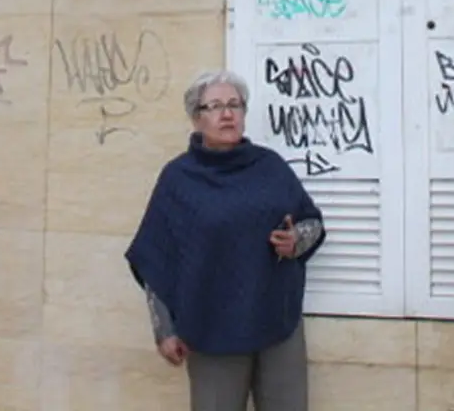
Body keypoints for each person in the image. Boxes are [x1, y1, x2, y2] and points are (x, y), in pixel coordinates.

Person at [125, 69, 326, 411]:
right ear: (196, 118)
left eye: (235, 104)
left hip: (277, 321)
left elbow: (313, 223)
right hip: (210, 328)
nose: (228, 113)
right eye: (215, 106)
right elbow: (155, 257)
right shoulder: (179, 179)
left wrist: (296, 240)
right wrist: (165, 330)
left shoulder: (270, 167)